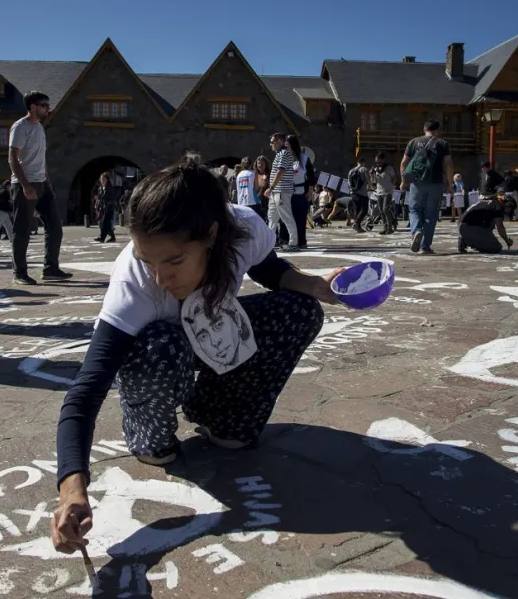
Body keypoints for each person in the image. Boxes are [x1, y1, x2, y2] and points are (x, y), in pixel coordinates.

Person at [50, 158, 336, 553]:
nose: (160, 278)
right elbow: (85, 392)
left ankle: (221, 415)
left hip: (213, 339)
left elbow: (269, 270)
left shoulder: (243, 229)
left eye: (173, 261)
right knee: (161, 348)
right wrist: (72, 490)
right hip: (163, 356)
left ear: (211, 235)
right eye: (147, 260)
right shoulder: (136, 284)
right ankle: (149, 434)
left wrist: (315, 285)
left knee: (299, 311)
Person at [8, 91, 72, 283]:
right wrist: (25, 185)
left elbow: (41, 157)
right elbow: (12, 158)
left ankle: (50, 268)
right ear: (33, 107)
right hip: (24, 184)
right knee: (23, 229)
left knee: (55, 226)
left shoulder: (40, 128)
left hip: (43, 184)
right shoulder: (20, 127)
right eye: (44, 105)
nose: (47, 108)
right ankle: (19, 273)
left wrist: (47, 180)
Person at [401, 120, 454, 254]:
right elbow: (448, 165)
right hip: (436, 182)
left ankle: (416, 231)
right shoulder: (443, 144)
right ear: (437, 130)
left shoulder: (413, 142)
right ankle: (425, 246)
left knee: (414, 209)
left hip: (417, 182)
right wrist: (450, 184)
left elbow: (404, 163)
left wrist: (403, 181)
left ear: (424, 129)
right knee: (431, 214)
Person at [458, 170, 513, 254]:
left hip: (462, 224)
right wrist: (507, 240)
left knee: (490, 223)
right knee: (496, 247)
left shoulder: (489, 202)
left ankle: (466, 239)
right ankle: (468, 241)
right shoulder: (498, 206)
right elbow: (500, 227)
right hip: (468, 227)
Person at [264, 132, 298, 251]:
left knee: (286, 217)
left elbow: (280, 171)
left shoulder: (284, 154)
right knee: (272, 218)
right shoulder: (280, 154)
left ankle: (294, 243)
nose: (270, 145)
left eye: (272, 142)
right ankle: (269, 243)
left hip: (281, 191)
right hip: (276, 192)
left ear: (279, 142)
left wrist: (271, 187)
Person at [370, 152, 397, 235]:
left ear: (383, 160)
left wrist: (392, 185)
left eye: (379, 162)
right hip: (379, 192)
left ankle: (390, 228)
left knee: (386, 209)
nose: (378, 164)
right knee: (381, 211)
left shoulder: (389, 168)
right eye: (376, 162)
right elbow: (373, 182)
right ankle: (385, 228)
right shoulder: (375, 169)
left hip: (387, 192)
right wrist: (371, 175)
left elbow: (394, 178)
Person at [346, 155, 369, 233]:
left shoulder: (351, 171)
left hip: (353, 193)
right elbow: (369, 181)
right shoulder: (364, 169)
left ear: (357, 162)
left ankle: (358, 227)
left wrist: (352, 190)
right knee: (364, 209)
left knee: (357, 210)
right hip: (362, 193)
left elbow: (348, 183)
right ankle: (356, 224)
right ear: (363, 163)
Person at [94, 172, 117, 243]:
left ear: (107, 180)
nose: (102, 181)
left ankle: (102, 238)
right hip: (102, 209)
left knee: (105, 223)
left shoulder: (109, 188)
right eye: (101, 179)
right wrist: (97, 202)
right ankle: (112, 237)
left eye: (103, 179)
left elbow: (111, 198)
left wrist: (105, 202)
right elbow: (99, 197)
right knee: (104, 224)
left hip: (108, 208)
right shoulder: (100, 188)